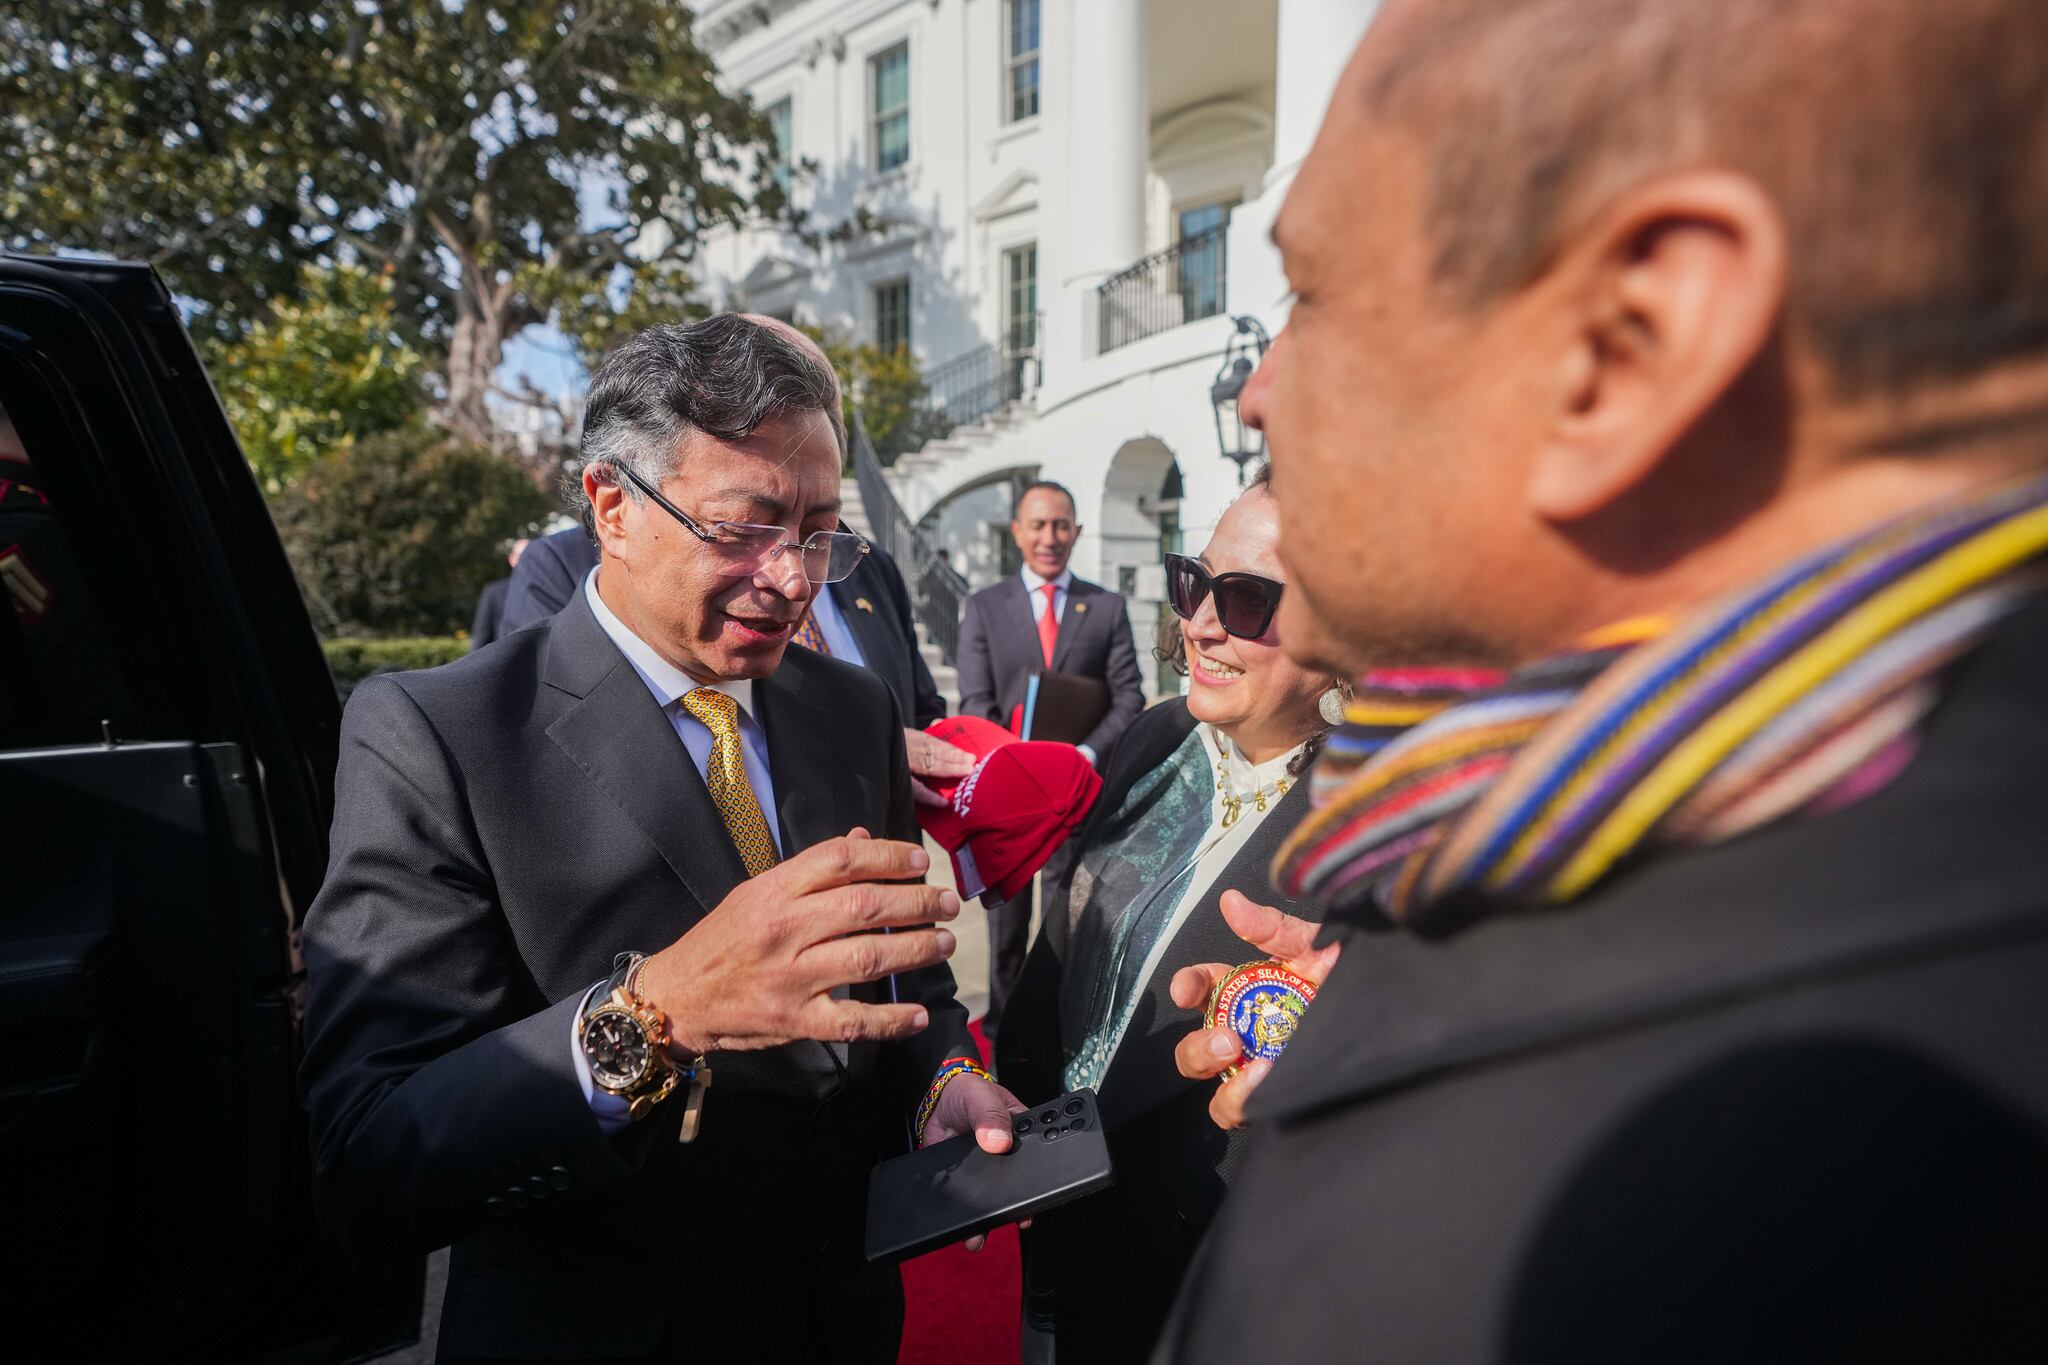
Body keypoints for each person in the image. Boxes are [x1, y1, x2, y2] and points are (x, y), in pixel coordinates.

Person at [1159, 2, 2048, 1360]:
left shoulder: (1836, 1157)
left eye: (1315, 296)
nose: (1260, 390)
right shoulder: (1717, 882)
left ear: (1626, 348)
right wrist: (1395, 1015)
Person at [301, 315, 1024, 1362]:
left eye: (820, 532)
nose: (794, 581)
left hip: (843, 1321)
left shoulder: (852, 709)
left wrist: (944, 1082)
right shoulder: (439, 737)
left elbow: (905, 984)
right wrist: (653, 1016)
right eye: (746, 527)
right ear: (611, 506)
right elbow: (370, 1157)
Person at [995, 468, 1342, 1362]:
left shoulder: (1370, 842)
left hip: (1198, 1271)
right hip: (1061, 1202)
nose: (1200, 623)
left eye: (1249, 599)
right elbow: (1062, 947)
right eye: (1196, 582)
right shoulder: (1155, 738)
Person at [955, 479, 1146, 1037]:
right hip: (1008, 798)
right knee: (1005, 925)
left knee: (1067, 920)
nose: (1049, 537)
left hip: (1075, 795)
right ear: (1017, 531)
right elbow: (975, 701)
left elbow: (1128, 695)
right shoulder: (985, 608)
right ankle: (999, 1030)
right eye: (1037, 524)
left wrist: (1082, 755)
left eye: (1061, 525)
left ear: (1077, 532)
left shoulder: (1106, 608)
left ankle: (1054, 1028)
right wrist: (1015, 766)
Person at [468, 536, 528, 651]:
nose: (528, 560)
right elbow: (482, 636)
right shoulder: (495, 592)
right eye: (523, 556)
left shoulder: (551, 590)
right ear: (512, 559)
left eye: (533, 557)